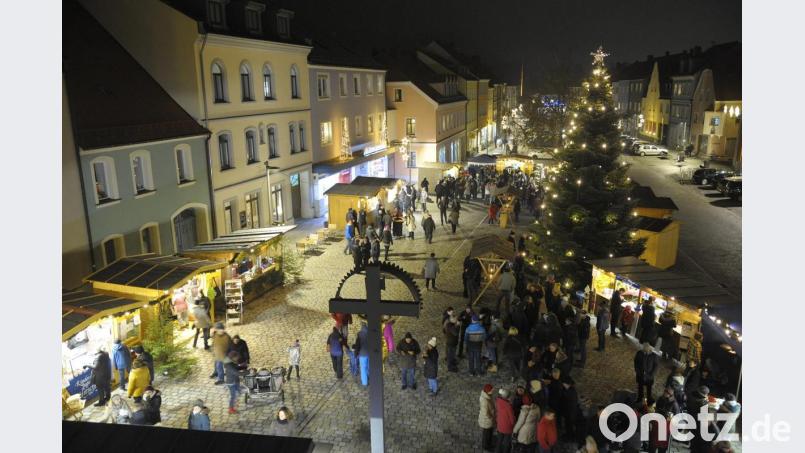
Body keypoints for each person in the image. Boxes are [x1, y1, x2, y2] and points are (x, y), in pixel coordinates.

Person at [495, 388, 516, 453]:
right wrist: (514, 423)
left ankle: (497, 451)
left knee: (499, 440)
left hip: (500, 424)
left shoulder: (498, 402)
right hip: (507, 427)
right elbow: (512, 419)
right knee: (507, 442)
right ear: (507, 397)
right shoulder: (508, 406)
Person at [560, 377, 579, 442]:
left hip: (570, 413)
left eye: (564, 383)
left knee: (569, 425)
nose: (563, 384)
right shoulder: (571, 390)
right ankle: (569, 435)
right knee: (568, 425)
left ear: (567, 384)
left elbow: (569, 404)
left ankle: (569, 437)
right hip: (570, 412)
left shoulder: (570, 392)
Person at [479, 384, 496, 452]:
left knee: (488, 433)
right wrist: (491, 417)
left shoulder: (487, 396)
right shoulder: (485, 401)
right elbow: (486, 413)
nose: (493, 391)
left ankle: (487, 444)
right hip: (487, 421)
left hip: (488, 420)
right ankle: (486, 446)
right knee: (487, 434)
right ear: (488, 391)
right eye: (492, 390)